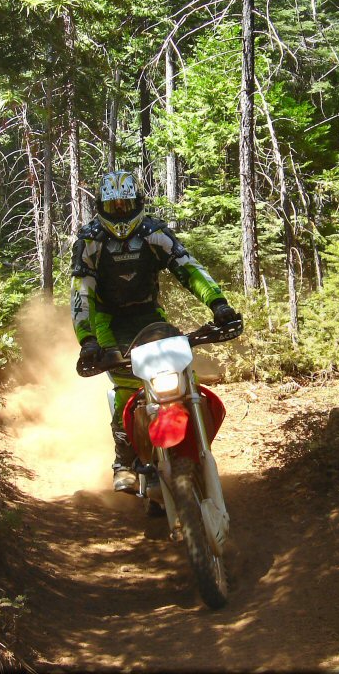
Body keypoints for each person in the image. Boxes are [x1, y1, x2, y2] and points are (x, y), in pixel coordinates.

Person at [70, 170, 240, 494]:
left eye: (125, 204)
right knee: (126, 383)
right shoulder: (90, 241)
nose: (120, 211)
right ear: (101, 207)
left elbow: (187, 268)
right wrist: (88, 341)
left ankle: (189, 443)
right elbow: (82, 294)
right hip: (109, 322)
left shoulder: (153, 232)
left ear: (138, 203)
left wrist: (219, 305)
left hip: (149, 317)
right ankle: (124, 459)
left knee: (180, 372)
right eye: (113, 205)